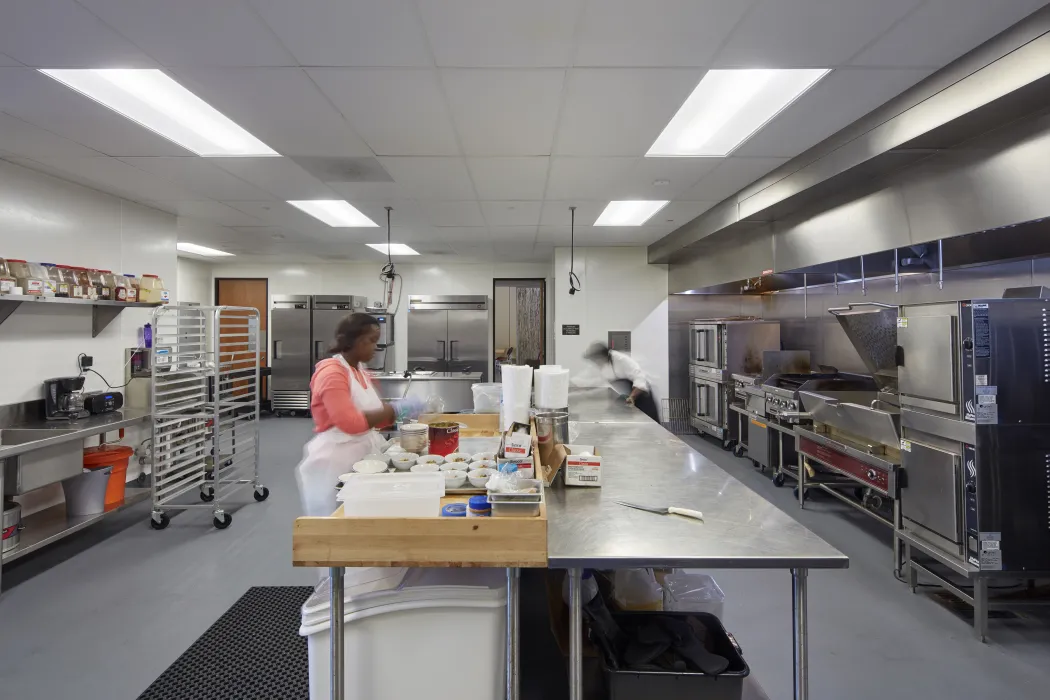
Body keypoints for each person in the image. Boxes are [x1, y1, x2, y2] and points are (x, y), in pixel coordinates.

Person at [294, 312, 420, 517]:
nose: (376, 348)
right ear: (353, 340)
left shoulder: (359, 369)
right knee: (337, 525)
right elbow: (350, 423)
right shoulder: (332, 373)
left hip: (364, 455)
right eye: (371, 341)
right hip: (335, 461)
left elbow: (374, 415)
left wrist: (400, 415)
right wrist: (395, 408)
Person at [583, 342, 660, 423]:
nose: (595, 362)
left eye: (595, 359)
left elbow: (640, 379)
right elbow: (592, 379)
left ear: (603, 356)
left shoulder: (621, 360)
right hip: (625, 395)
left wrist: (632, 397)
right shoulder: (602, 364)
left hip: (640, 395)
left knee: (649, 422)